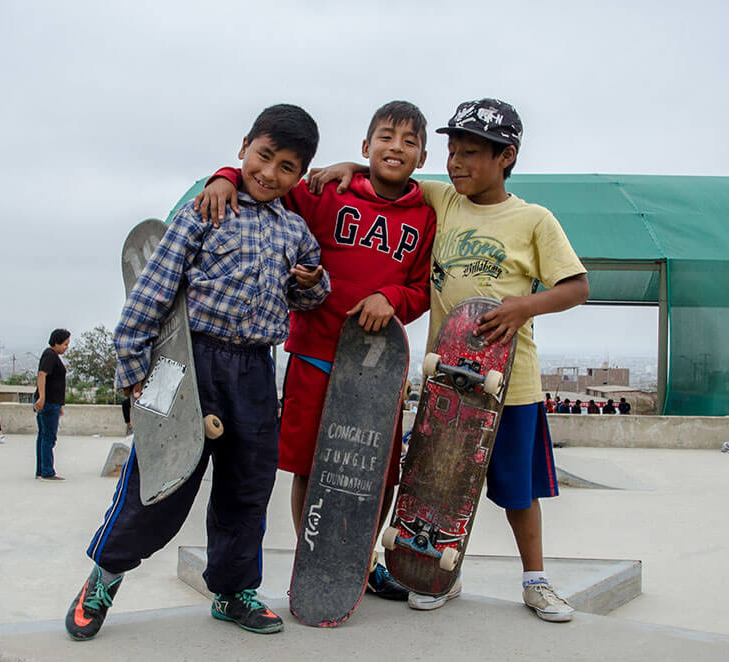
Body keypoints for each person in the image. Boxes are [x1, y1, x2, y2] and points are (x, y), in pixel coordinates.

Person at [311, 98, 589, 622]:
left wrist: (524, 306)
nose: (456, 163)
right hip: (446, 383)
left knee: (516, 491)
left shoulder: (534, 219)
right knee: (434, 489)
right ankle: (438, 573)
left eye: (470, 154)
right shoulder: (441, 197)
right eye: (451, 152)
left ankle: (536, 580)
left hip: (511, 383)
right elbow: (392, 177)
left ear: (506, 157)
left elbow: (576, 286)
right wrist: (349, 165)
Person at [66, 104, 330, 641]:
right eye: (263, 156)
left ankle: (233, 592)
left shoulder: (296, 231)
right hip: (184, 362)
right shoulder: (204, 210)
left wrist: (310, 281)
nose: (269, 173)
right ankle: (104, 577)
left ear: (299, 176)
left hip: (255, 371)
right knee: (158, 481)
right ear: (243, 148)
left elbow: (312, 296)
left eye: (286, 167)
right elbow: (153, 291)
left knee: (247, 489)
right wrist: (134, 367)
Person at [193, 100, 436, 601]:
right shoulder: (328, 190)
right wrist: (222, 176)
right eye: (385, 137)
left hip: (377, 370)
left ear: (423, 156)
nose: (396, 147)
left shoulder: (426, 217)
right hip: (314, 353)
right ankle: (316, 557)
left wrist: (390, 298)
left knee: (377, 472)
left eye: (409, 141)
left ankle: (361, 564)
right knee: (311, 466)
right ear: (365, 147)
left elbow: (421, 289)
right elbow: (268, 180)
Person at [34, 328, 70, 481]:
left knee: (43, 436)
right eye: (65, 344)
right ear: (57, 342)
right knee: (48, 437)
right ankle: (47, 471)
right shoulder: (50, 355)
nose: (66, 347)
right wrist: (42, 397)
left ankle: (41, 470)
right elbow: (42, 374)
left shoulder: (51, 355)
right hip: (48, 402)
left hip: (53, 402)